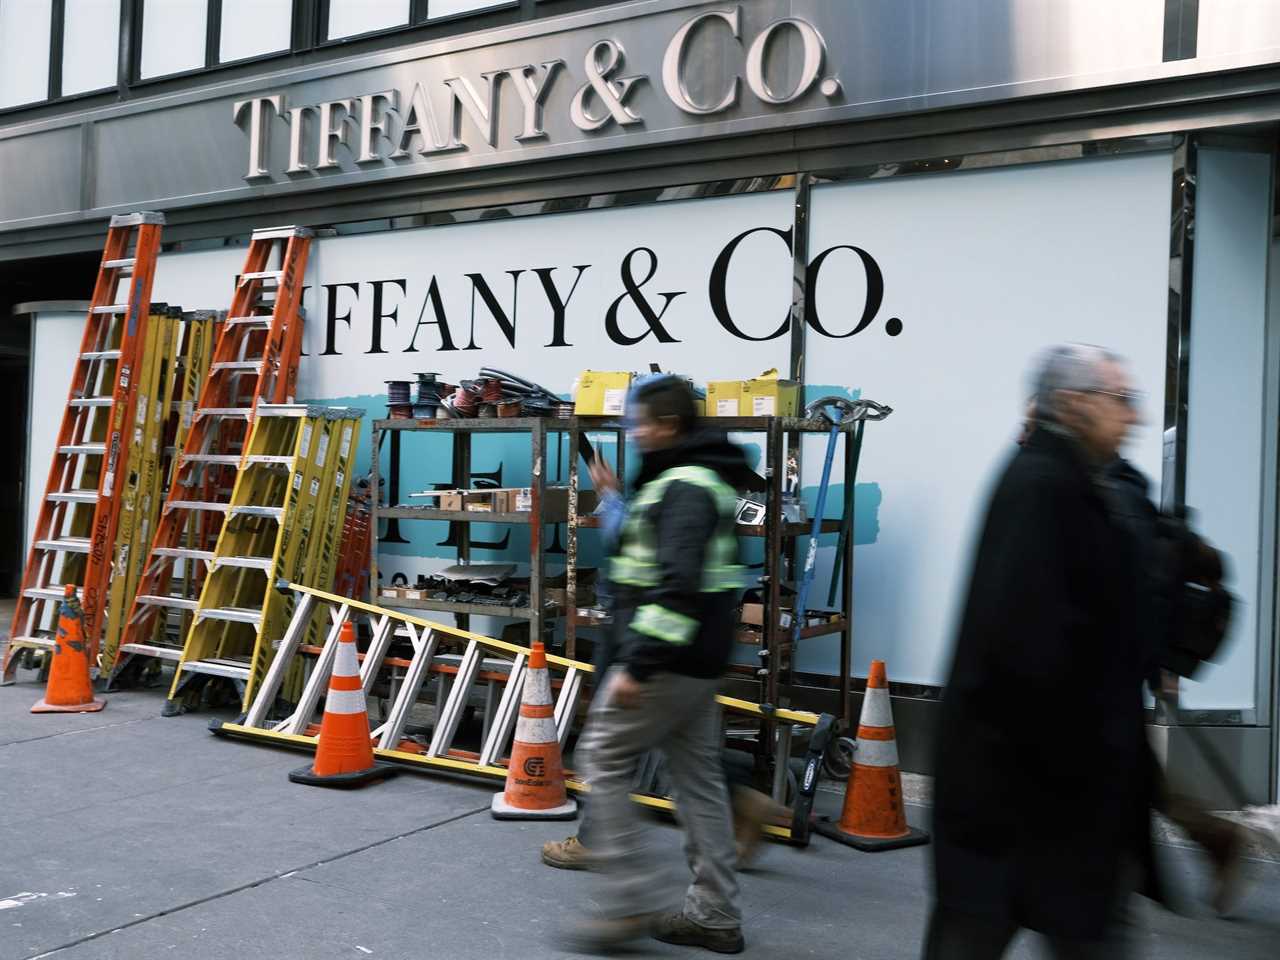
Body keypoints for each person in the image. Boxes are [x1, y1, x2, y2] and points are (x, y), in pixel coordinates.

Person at [925, 344, 1159, 959]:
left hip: (1052, 800)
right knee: (983, 932)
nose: (1133, 416)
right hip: (1026, 798)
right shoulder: (1043, 488)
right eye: (1121, 400)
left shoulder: (1082, 485)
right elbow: (1024, 650)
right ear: (1075, 404)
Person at [561, 376, 749, 954]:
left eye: (639, 423)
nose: (634, 433)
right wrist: (618, 501)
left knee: (602, 756)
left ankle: (627, 902)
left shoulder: (686, 487)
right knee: (697, 784)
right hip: (695, 663)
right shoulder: (686, 480)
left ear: (667, 425)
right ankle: (714, 913)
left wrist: (637, 667)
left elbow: (677, 586)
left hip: (666, 660)